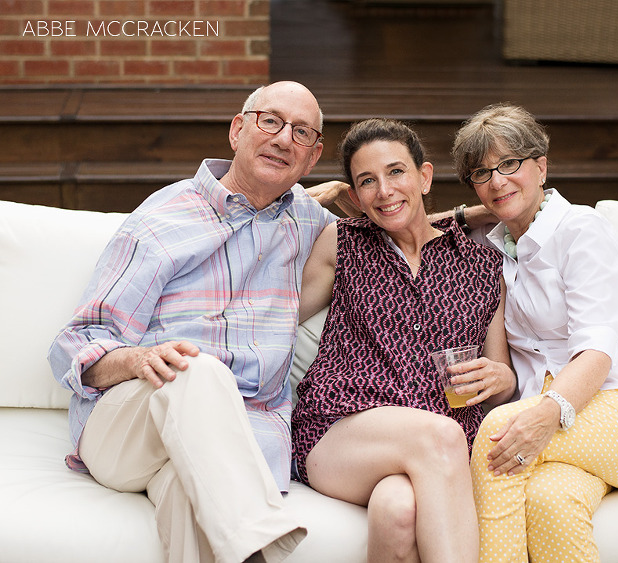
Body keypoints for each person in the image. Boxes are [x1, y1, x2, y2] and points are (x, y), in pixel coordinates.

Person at [47, 81, 349, 563]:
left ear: (311, 159)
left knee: (189, 495)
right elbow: (76, 342)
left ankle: (239, 539)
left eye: (300, 132)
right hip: (132, 424)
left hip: (236, 440)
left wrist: (485, 213)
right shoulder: (163, 217)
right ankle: (258, 540)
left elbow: (409, 225)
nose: (282, 138)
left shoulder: (308, 223)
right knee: (200, 367)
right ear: (237, 130)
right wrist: (139, 357)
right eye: (269, 121)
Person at [450, 103, 618, 562]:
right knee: (550, 500)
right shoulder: (496, 247)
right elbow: (417, 228)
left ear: (541, 165)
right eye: (482, 173)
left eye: (510, 164)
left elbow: (597, 352)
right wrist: (475, 213)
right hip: (582, 422)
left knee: (497, 437)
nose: (497, 180)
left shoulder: (581, 231)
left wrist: (542, 416)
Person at [291, 118, 517, 563]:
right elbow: (275, 317)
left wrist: (500, 377)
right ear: (355, 197)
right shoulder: (342, 243)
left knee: (398, 509)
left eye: (396, 172)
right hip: (340, 431)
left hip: (440, 442)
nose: (384, 190)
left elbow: (503, 378)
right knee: (442, 436)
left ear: (424, 177)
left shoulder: (481, 264)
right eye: (367, 181)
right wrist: (294, 205)